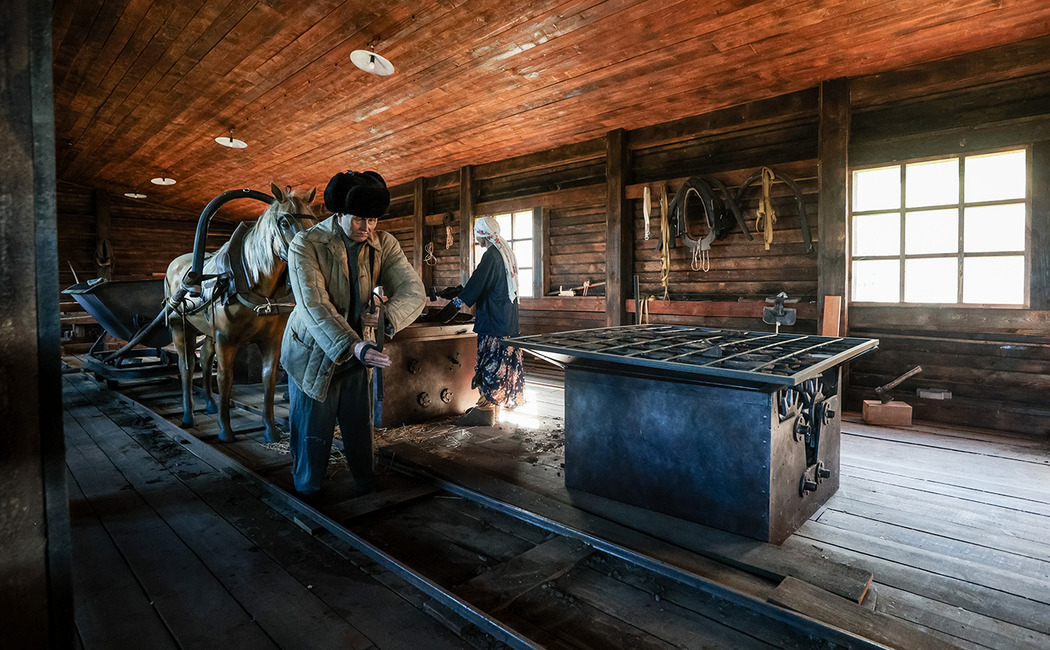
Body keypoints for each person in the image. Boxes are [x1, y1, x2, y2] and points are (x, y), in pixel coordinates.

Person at [281, 170, 425, 497]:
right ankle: (308, 488)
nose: (367, 228)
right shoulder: (306, 243)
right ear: (340, 213)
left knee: (359, 424)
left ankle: (365, 480)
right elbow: (313, 304)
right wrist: (352, 344)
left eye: (373, 220)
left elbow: (414, 292)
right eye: (359, 219)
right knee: (312, 429)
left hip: (360, 351)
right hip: (313, 351)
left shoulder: (382, 243)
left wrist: (386, 317)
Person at [438, 216, 526, 426]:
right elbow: (485, 283)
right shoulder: (505, 253)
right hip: (508, 321)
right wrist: (460, 291)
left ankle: (484, 411)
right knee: (501, 365)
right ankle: (489, 408)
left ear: (482, 234)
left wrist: (454, 305)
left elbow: (477, 285)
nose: (476, 239)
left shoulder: (491, 255)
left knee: (490, 365)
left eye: (477, 234)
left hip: (494, 321)